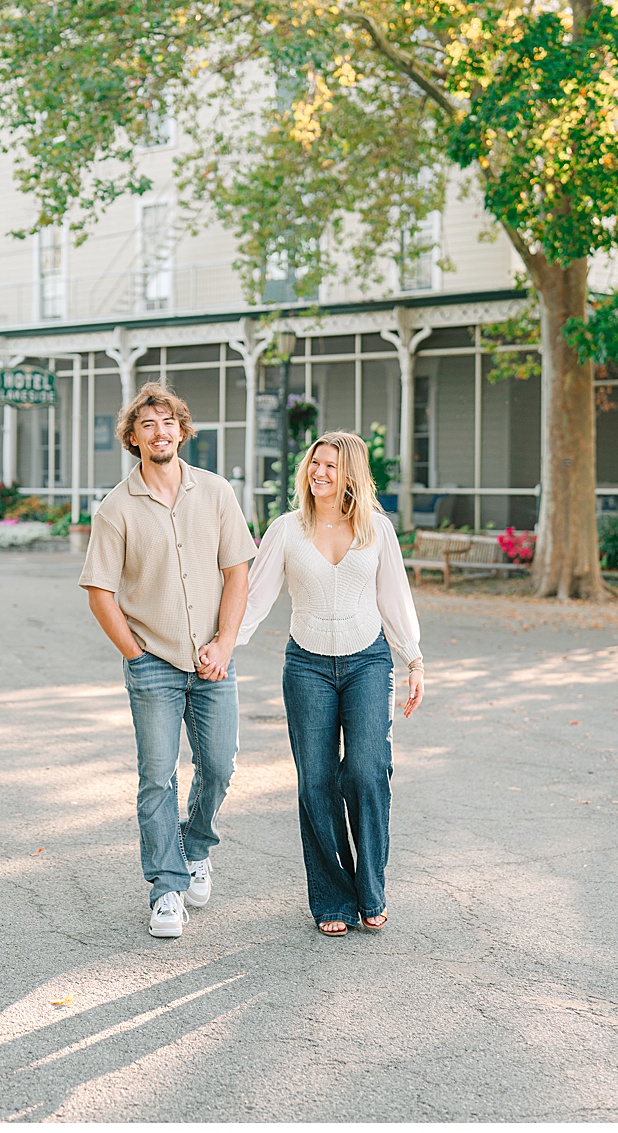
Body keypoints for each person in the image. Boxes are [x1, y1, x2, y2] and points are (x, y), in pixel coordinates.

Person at [79, 381, 258, 938]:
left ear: (182, 431)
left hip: (213, 663)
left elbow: (237, 572)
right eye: (147, 425)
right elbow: (99, 591)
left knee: (221, 765)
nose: (160, 432)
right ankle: (165, 889)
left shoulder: (217, 493)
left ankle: (195, 846)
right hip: (153, 662)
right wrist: (135, 655)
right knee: (157, 778)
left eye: (168, 423)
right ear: (133, 438)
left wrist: (225, 643)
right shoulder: (116, 509)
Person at [238, 431, 425, 937]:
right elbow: (255, 599)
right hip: (307, 666)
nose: (320, 472)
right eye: (314, 463)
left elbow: (395, 597)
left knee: (366, 770)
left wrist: (414, 659)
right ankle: (332, 898)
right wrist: (220, 647)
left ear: (352, 475)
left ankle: (371, 888)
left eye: (332, 466)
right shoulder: (286, 529)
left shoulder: (376, 531)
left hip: (368, 660)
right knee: (316, 781)